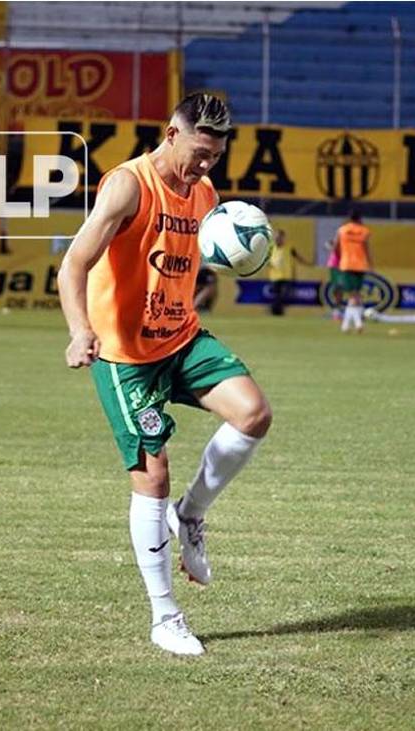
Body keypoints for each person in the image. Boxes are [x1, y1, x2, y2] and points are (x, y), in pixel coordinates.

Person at [57, 93, 272, 657]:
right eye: (199, 152)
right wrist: (80, 331)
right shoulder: (128, 186)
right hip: (125, 356)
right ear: (171, 134)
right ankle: (165, 617)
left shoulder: (205, 193)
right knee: (152, 474)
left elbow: (187, 257)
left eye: (215, 156)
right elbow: (74, 262)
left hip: (180, 337)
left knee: (254, 413)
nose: (205, 165)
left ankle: (192, 513)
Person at [334, 209, 372, 333]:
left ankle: (348, 326)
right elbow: (366, 248)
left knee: (353, 295)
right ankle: (356, 324)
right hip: (360, 265)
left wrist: (341, 257)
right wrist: (370, 263)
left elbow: (336, 247)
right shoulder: (364, 231)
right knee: (355, 295)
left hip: (346, 264)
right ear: (360, 219)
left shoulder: (342, 230)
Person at [266, 228, 309, 316]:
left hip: (287, 276)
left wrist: (308, 264)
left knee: (286, 294)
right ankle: (277, 312)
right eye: (276, 237)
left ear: (283, 238)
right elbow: (265, 260)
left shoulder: (289, 248)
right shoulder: (271, 248)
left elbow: (298, 257)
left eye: (280, 237)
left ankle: (274, 309)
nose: (278, 239)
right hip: (275, 276)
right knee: (277, 296)